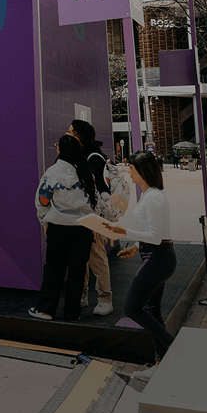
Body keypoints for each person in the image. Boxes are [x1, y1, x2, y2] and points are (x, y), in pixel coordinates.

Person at [108, 152, 177, 382]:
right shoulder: (150, 194)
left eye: (131, 168)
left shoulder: (153, 198)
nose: (128, 171)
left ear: (142, 171)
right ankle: (161, 364)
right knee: (151, 310)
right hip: (156, 256)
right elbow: (153, 232)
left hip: (158, 258)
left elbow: (156, 237)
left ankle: (173, 347)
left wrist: (124, 232)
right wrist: (136, 247)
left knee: (132, 308)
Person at [30, 135, 95, 322]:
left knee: (53, 269)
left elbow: (42, 201)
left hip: (58, 228)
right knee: (77, 271)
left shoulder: (52, 172)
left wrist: (45, 222)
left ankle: (45, 310)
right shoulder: (85, 172)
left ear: (60, 150)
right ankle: (73, 314)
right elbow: (95, 201)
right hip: (83, 228)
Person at [69, 120, 116, 316]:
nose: (67, 133)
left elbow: (102, 190)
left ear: (78, 136)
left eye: (70, 131)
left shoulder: (93, 157)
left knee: (97, 258)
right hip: (78, 215)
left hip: (94, 216)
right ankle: (82, 295)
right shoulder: (78, 154)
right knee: (80, 258)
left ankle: (105, 299)